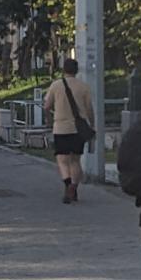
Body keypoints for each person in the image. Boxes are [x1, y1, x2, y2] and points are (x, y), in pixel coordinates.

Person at [43, 58, 94, 204]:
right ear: (76, 71)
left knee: (62, 159)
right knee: (75, 160)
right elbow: (89, 109)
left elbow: (47, 106)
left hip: (61, 128)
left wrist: (49, 120)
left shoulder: (56, 85)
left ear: (63, 70)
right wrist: (92, 124)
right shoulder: (84, 87)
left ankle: (68, 186)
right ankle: (74, 187)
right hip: (78, 129)